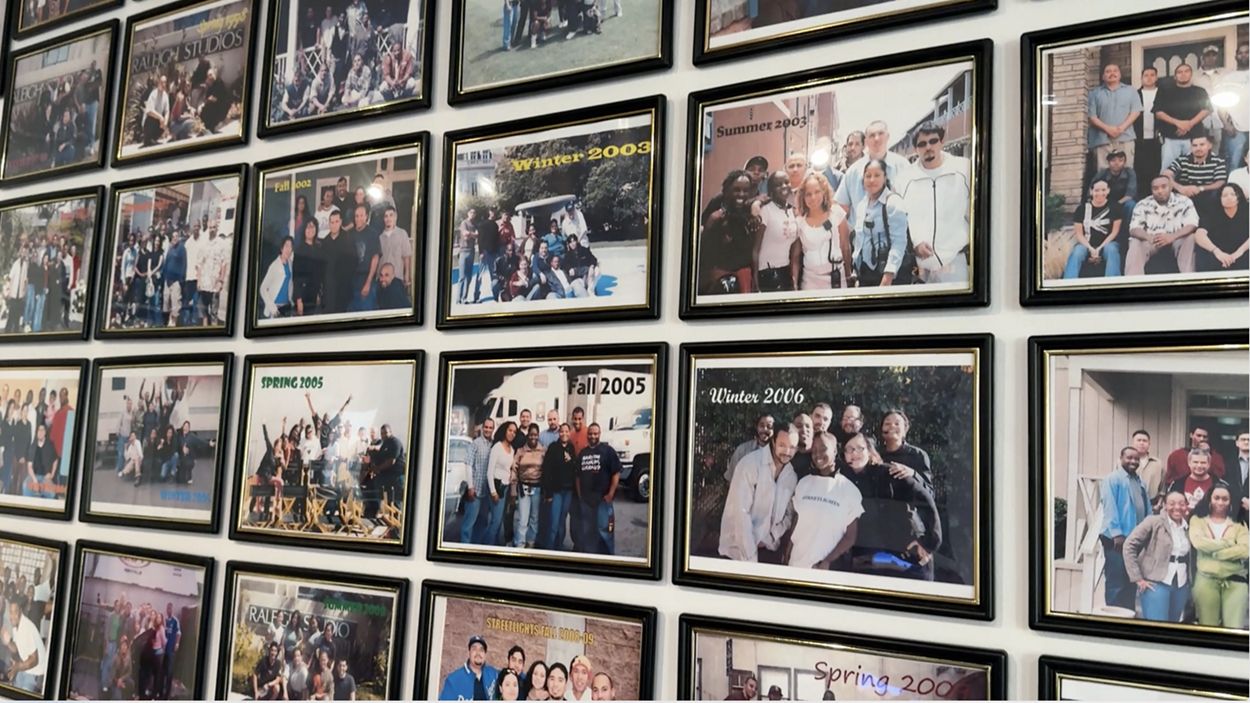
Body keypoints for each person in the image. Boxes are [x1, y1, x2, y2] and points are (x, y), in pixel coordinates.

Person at [839, 432, 940, 580]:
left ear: (869, 451)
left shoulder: (889, 473)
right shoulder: (842, 481)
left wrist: (929, 542)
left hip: (906, 557)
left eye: (860, 448)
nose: (854, 453)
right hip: (866, 561)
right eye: (849, 449)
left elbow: (925, 499)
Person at [900, 122, 972, 284]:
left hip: (955, 261)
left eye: (933, 141)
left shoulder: (964, 169)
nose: (928, 147)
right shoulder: (904, 178)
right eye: (922, 144)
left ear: (942, 141)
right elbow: (901, 219)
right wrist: (915, 244)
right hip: (921, 266)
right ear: (915, 148)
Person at [719, 424, 798, 563]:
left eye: (792, 447)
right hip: (738, 553)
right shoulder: (750, 464)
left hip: (769, 550)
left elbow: (788, 515)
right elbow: (741, 512)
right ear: (773, 442)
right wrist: (750, 555)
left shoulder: (791, 476)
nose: (787, 451)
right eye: (782, 445)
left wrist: (771, 537)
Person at [787, 432, 862, 569]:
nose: (818, 454)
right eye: (814, 450)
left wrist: (827, 561)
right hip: (796, 564)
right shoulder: (804, 483)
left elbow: (850, 537)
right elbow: (796, 523)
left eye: (823, 449)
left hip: (823, 569)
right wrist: (787, 554)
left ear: (835, 451)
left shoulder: (849, 489)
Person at [1124, 491, 1193, 622]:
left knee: (1173, 626)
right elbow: (1129, 545)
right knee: (1157, 626)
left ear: (1186, 506)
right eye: (1172, 503)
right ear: (1165, 505)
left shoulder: (1188, 527)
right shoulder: (1154, 521)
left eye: (1181, 503)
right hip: (1155, 582)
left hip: (1181, 583)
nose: (1177, 507)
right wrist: (1137, 578)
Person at [1189, 484, 1249, 629]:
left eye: (1225, 499)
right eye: (1216, 498)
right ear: (1209, 499)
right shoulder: (1198, 520)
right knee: (1208, 628)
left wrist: (1217, 553)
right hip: (1206, 581)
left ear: (1230, 501)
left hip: (1235, 582)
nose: (1220, 502)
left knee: (1234, 629)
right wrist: (1229, 543)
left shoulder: (1239, 523)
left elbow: (1246, 549)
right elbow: (1198, 543)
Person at [1098, 446, 1151, 610]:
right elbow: (1110, 507)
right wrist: (1117, 534)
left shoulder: (1140, 481)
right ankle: (1113, 618)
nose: (1133, 461)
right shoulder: (1112, 479)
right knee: (1117, 582)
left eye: (1136, 459)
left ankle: (1128, 615)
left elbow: (1147, 508)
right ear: (1121, 458)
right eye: (1129, 458)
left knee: (1130, 581)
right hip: (1117, 539)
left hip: (1134, 540)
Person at [834, 120, 912, 227]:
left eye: (880, 133)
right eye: (872, 135)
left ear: (887, 137)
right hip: (860, 234)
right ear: (866, 141)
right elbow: (840, 209)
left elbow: (913, 204)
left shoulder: (903, 167)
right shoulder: (853, 172)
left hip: (895, 234)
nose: (876, 138)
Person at [699, 170, 761, 294]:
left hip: (744, 275)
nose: (741, 194)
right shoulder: (717, 204)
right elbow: (702, 246)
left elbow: (765, 197)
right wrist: (710, 224)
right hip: (718, 276)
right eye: (736, 190)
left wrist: (756, 206)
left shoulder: (749, 209)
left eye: (746, 190)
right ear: (727, 189)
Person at [1125, 175, 1199, 276]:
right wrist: (1149, 237)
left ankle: (1189, 278)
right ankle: (1133, 281)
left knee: (1190, 238)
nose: (1160, 191)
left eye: (1164, 187)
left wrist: (1172, 237)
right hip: (1152, 240)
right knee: (1135, 242)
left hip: (1177, 238)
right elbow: (1134, 228)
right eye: (1155, 188)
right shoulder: (1142, 204)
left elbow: (1192, 224)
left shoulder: (1184, 201)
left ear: (1171, 187)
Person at [851, 158, 909, 287]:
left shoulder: (893, 203)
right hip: (865, 273)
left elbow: (899, 242)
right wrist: (856, 270)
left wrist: (888, 277)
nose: (872, 180)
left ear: (885, 177)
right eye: (868, 176)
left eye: (877, 175)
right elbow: (859, 241)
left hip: (888, 275)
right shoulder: (862, 205)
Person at [790, 171, 850, 290]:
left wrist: (848, 275)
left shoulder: (836, 213)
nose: (813, 197)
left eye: (817, 192)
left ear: (824, 192)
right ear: (803, 197)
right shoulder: (799, 222)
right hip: (810, 282)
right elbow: (795, 257)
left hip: (837, 279)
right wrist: (795, 284)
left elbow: (845, 247)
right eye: (808, 194)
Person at [1153, 63, 1212, 171]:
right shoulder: (1165, 91)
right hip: (1170, 137)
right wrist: (1178, 123)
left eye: (1186, 71)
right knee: (1168, 170)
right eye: (1179, 72)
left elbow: (1206, 110)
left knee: (1195, 169)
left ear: (1191, 74)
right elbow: (1158, 113)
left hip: (1195, 138)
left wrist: (1189, 124)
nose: (1183, 74)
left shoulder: (1200, 91)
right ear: (1175, 76)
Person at [574, 423, 621, 555]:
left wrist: (611, 494)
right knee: (588, 532)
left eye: (595, 433)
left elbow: (616, 473)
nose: (593, 436)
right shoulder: (583, 453)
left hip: (603, 500)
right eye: (590, 433)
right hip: (586, 501)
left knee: (605, 532)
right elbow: (578, 476)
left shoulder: (608, 451)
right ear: (587, 435)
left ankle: (608, 559)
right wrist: (580, 495)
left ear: (599, 434)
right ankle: (591, 558)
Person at [1062, 179, 1123, 278]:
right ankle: (1069, 281)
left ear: (1108, 191)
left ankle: (1112, 281)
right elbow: (1079, 234)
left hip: (1108, 243)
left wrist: (1099, 248)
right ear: (1091, 191)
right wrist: (1090, 248)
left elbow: (1114, 232)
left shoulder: (1115, 207)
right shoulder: (1081, 209)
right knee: (1077, 251)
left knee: (1111, 249)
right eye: (1096, 190)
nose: (1100, 193)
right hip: (1086, 244)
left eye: (1103, 190)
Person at [1086, 63, 1142, 169]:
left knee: (1126, 172)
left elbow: (1135, 112)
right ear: (1103, 76)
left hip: (1125, 139)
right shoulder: (1094, 94)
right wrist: (1108, 129)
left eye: (1115, 71)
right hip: (1102, 140)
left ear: (1120, 74)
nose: (1112, 73)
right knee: (1103, 174)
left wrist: (1120, 129)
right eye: (1108, 71)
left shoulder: (1131, 91)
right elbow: (1092, 117)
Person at [1194, 183, 1249, 271]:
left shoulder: (1247, 210)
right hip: (1218, 255)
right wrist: (1217, 252)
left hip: (1243, 253)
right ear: (1220, 199)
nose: (1229, 197)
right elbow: (1199, 234)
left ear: (1238, 197)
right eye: (1225, 195)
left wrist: (1239, 252)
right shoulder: (1212, 213)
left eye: (1233, 194)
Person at [1165, 134, 1227, 212]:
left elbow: (1220, 182)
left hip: (1207, 193)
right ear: (1191, 147)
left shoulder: (1218, 161)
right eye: (1195, 145)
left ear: (1209, 146)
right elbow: (1166, 174)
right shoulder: (1182, 159)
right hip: (1185, 192)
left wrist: (1200, 188)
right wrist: (1180, 188)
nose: (1198, 148)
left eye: (1202, 145)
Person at [541, 423, 578, 550]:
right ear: (559, 433)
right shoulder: (553, 447)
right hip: (556, 491)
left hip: (568, 491)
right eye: (562, 431)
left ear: (569, 433)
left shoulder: (571, 448)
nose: (564, 434)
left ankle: (559, 548)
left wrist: (571, 460)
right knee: (554, 522)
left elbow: (575, 468)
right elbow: (547, 470)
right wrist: (548, 492)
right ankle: (549, 549)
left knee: (562, 522)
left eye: (566, 431)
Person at [480, 422, 517, 545]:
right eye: (510, 430)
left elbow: (508, 469)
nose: (512, 433)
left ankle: (493, 546)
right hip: (496, 488)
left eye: (514, 432)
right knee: (495, 522)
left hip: (506, 488)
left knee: (499, 521)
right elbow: (489, 472)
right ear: (505, 431)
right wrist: (493, 492)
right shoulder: (497, 447)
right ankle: (485, 547)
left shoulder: (512, 450)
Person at [878, 410, 933, 487]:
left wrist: (912, 473)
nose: (892, 426)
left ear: (905, 431)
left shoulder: (918, 455)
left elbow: (929, 490)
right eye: (887, 423)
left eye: (897, 423)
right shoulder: (874, 454)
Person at [1167, 448, 1225, 519]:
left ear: (1209, 464)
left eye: (1203, 463)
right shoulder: (1177, 484)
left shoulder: (1220, 485)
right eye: (1195, 462)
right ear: (1189, 463)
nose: (1199, 466)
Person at [512, 424, 545, 548]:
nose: (533, 437)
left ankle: (531, 542)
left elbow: (548, 469)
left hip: (537, 488)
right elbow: (514, 469)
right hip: (523, 488)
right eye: (531, 434)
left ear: (538, 435)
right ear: (528, 435)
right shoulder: (521, 450)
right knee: (523, 519)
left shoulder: (543, 450)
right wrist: (513, 487)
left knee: (534, 518)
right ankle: (520, 544)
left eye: (535, 435)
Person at [3, 600, 46, 692]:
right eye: (10, 612)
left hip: (36, 673)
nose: (12, 616)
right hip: (25, 668)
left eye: (15, 612)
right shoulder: (16, 626)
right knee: (12, 691)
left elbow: (34, 660)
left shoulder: (27, 628)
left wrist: (17, 667)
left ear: (20, 611)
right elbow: (16, 648)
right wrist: (8, 642)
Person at [439, 635, 498, 700]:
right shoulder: (453, 680)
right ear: (469, 653)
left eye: (481, 650)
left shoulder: (494, 674)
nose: (478, 653)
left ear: (485, 655)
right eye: (474, 649)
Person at [726, 414, 774, 482]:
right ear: (757, 427)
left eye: (769, 427)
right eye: (762, 426)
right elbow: (731, 478)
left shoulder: (778, 453)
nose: (765, 429)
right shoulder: (742, 450)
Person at [1129, 429, 1165, 511]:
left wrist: (1159, 504)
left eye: (1144, 441)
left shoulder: (1158, 464)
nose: (1141, 443)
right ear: (1133, 443)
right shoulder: (1123, 463)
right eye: (1139, 440)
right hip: (1129, 505)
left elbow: (1163, 489)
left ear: (1149, 444)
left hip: (1151, 506)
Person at [260, 237, 295, 318]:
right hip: (276, 308)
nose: (288, 249)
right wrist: (273, 309)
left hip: (287, 306)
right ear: (281, 248)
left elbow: (290, 283)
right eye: (286, 246)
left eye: (291, 247)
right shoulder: (274, 265)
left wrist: (291, 300)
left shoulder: (290, 263)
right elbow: (263, 288)